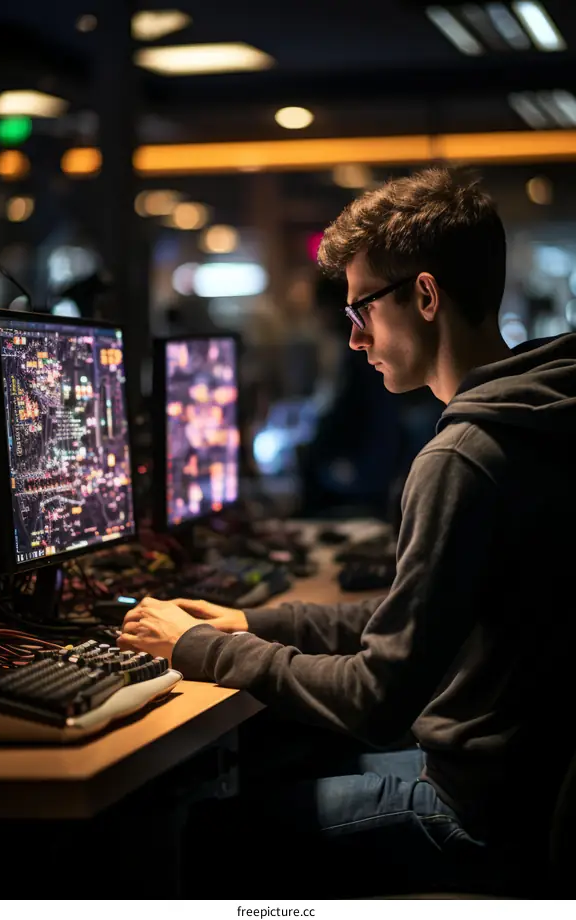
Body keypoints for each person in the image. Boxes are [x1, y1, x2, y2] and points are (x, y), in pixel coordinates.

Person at [118, 166, 576, 896]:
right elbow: (414, 613)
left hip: (477, 814)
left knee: (198, 836)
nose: (356, 338)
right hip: (528, 789)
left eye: (361, 307)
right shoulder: (541, 412)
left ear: (424, 296)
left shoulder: (465, 456)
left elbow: (377, 698)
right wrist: (249, 620)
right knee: (277, 755)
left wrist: (201, 648)